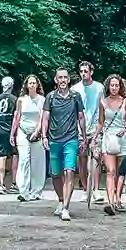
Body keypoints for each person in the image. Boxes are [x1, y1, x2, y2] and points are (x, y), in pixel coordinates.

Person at [43, 67, 86, 222]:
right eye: (59, 77)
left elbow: (81, 117)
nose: (62, 80)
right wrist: (43, 136)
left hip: (71, 139)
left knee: (69, 172)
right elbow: (45, 117)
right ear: (56, 80)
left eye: (65, 77)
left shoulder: (75, 96)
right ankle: (61, 200)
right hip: (54, 139)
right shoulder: (50, 97)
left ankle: (66, 208)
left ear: (68, 79)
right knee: (56, 174)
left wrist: (84, 137)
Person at [96, 74, 126, 215]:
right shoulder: (103, 102)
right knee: (111, 171)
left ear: (120, 87)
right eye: (112, 85)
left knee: (121, 172)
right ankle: (110, 201)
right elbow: (100, 122)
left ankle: (118, 198)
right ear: (108, 86)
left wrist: (124, 129)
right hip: (108, 137)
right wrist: (94, 138)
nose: (114, 88)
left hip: (122, 138)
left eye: (117, 85)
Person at [12, 75, 47, 201]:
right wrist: (13, 133)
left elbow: (43, 118)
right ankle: (23, 190)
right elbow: (17, 117)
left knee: (38, 162)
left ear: (37, 85)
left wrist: (37, 132)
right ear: (26, 85)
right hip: (22, 131)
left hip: (37, 133)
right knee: (24, 160)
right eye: (30, 83)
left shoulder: (42, 100)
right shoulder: (21, 100)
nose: (32, 85)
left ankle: (36, 191)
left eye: (34, 83)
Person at [71, 61, 102, 193]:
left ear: (91, 72)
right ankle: (85, 188)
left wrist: (101, 125)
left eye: (86, 71)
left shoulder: (99, 88)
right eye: (81, 71)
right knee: (82, 158)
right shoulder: (75, 89)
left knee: (96, 156)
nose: (83, 74)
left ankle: (95, 189)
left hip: (95, 126)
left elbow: (102, 107)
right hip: (79, 127)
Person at [0, 77, 18, 194]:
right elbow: (17, 117)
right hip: (12, 131)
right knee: (14, 155)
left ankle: (1, 184)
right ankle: (14, 183)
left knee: (2, 156)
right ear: (11, 86)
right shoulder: (15, 99)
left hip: (0, 130)